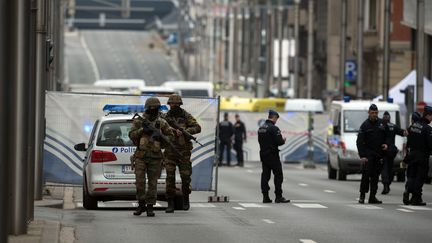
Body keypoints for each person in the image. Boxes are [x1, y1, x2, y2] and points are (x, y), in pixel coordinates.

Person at [129, 97, 174, 217]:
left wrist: (160, 137)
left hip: (155, 157)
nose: (153, 111)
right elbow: (132, 135)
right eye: (152, 108)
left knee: (153, 183)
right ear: (148, 108)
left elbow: (170, 137)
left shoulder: (162, 123)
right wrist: (142, 130)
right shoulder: (140, 121)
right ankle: (141, 204)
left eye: (156, 108)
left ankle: (150, 206)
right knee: (140, 182)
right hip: (141, 156)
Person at [163, 94, 201, 213]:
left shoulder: (186, 116)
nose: (174, 106)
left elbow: (197, 127)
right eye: (172, 104)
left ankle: (186, 199)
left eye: (176, 104)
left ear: (180, 105)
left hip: (184, 151)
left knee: (185, 177)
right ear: (169, 105)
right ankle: (170, 202)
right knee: (170, 177)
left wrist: (184, 132)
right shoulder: (165, 117)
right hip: (170, 151)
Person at [356, 104, 390, 204]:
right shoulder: (365, 125)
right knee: (366, 177)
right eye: (372, 113)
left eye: (376, 113)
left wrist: (386, 144)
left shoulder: (382, 124)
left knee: (375, 177)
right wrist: (362, 156)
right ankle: (362, 196)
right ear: (369, 113)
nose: (374, 115)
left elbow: (388, 136)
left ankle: (372, 197)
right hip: (368, 155)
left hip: (379, 155)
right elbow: (359, 142)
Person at [258, 110, 290, 203]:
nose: (276, 121)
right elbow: (279, 142)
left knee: (265, 175)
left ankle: (265, 197)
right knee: (278, 175)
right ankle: (278, 196)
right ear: (274, 117)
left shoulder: (261, 128)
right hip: (272, 154)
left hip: (263, 154)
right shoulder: (274, 128)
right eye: (276, 119)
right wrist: (283, 140)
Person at [403, 106, 432, 206]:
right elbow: (430, 144)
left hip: (412, 155)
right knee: (420, 177)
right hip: (422, 156)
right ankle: (416, 198)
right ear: (428, 115)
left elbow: (408, 142)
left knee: (412, 176)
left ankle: (408, 191)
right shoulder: (427, 129)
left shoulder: (413, 126)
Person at [380, 111, 406, 195]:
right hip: (392, 151)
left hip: (383, 150)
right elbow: (403, 133)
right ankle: (388, 184)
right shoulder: (394, 126)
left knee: (384, 168)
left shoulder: (381, 126)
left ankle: (386, 185)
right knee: (390, 168)